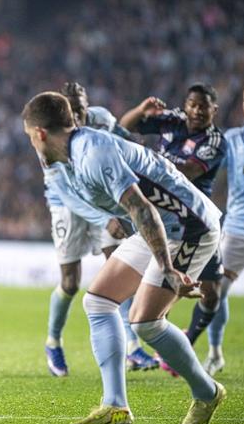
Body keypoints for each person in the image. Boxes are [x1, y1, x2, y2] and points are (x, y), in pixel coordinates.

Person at [22, 92, 226, 424]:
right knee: (98, 301)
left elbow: (141, 208)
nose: (31, 143)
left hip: (189, 226)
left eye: (30, 136)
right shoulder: (66, 157)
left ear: (40, 133)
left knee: (145, 322)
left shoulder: (93, 153)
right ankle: (115, 406)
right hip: (159, 226)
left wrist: (168, 269)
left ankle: (207, 393)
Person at [43, 82, 158, 378]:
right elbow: (68, 195)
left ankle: (132, 347)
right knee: (70, 282)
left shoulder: (101, 119)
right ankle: (53, 342)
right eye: (70, 109)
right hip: (67, 204)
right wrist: (104, 220)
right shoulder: (48, 134)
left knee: (119, 268)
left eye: (80, 108)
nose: (76, 115)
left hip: (101, 197)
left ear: (87, 106)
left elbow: (123, 137)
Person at [120, 84, 227, 376]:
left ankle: (185, 336)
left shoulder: (215, 141)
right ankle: (164, 339)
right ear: (186, 104)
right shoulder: (172, 120)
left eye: (203, 106)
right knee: (151, 286)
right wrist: (141, 110)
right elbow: (125, 127)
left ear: (214, 110)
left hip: (196, 219)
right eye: (192, 104)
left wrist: (151, 166)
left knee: (211, 293)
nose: (197, 111)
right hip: (163, 215)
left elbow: (187, 173)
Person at [203, 85, 244, 375]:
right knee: (216, 292)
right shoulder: (233, 139)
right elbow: (210, 171)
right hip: (238, 228)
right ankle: (215, 352)